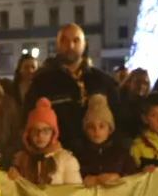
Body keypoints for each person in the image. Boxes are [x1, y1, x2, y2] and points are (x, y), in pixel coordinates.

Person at [23, 24, 120, 153]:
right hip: (57, 159)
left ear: (84, 44)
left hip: (98, 159)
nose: (70, 46)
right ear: (56, 45)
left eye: (76, 40)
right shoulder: (42, 82)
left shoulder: (102, 81)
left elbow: (119, 120)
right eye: (64, 40)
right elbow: (28, 122)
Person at [9, 97, 81, 185]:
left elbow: (74, 193)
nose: (40, 135)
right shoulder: (20, 160)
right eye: (35, 130)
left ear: (53, 133)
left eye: (46, 131)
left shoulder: (65, 161)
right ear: (28, 133)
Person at [75, 94, 138, 187]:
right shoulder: (78, 155)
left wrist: (119, 177)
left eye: (102, 126)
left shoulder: (121, 153)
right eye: (91, 127)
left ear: (109, 129)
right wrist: (84, 180)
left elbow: (135, 177)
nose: (97, 131)